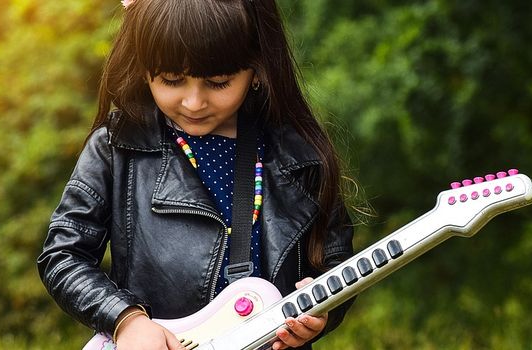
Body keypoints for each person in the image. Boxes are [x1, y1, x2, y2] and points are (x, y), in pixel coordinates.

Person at [37, 0, 355, 349]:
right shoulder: (116, 147)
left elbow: (334, 263)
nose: (193, 102)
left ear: (258, 67)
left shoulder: (300, 155)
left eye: (218, 82)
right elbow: (63, 256)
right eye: (172, 80)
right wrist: (125, 319)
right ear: (144, 68)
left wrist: (322, 314)